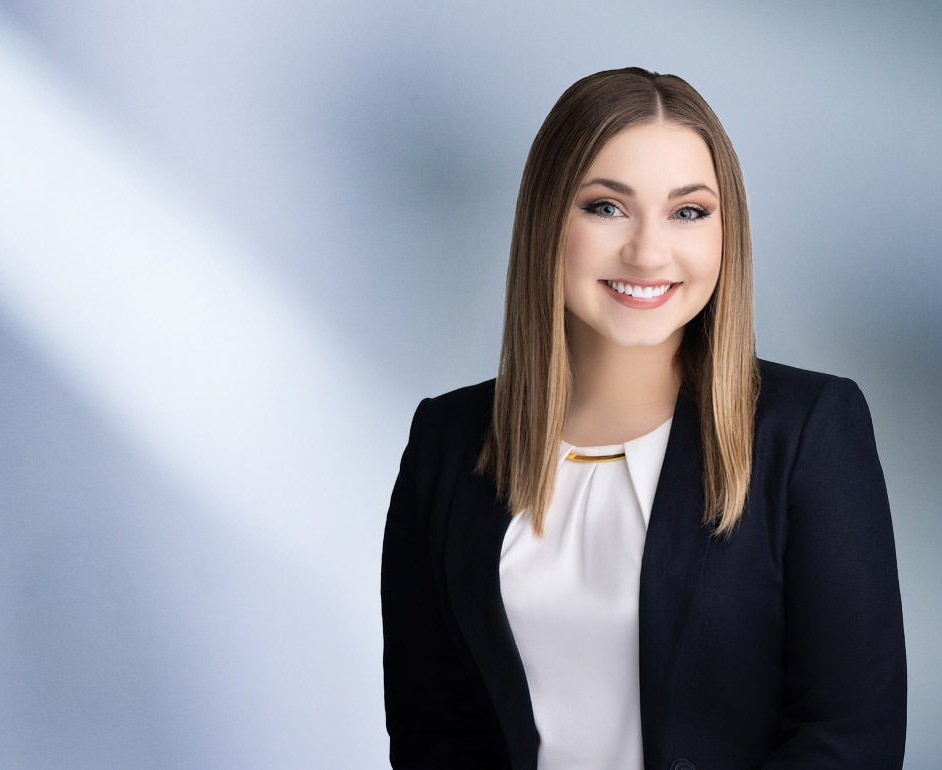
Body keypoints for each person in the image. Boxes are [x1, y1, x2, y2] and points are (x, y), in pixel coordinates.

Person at [381, 66, 906, 770]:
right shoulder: (445, 446)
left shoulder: (809, 434)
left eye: (688, 212)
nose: (648, 252)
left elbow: (851, 742)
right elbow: (432, 738)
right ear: (547, 218)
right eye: (606, 207)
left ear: (728, 233)